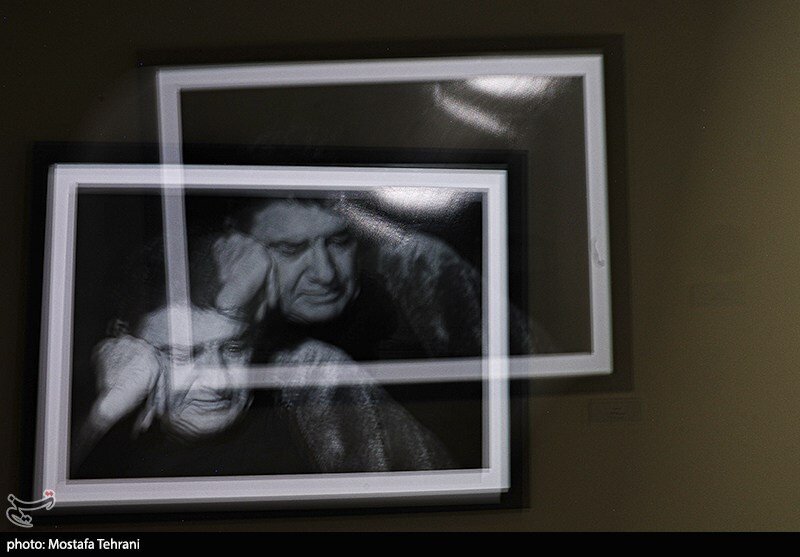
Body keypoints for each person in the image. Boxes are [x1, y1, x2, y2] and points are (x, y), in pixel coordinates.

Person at [74, 231, 454, 479]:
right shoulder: (73, 413)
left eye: (234, 348)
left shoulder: (310, 387)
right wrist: (103, 415)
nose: (219, 380)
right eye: (181, 354)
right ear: (124, 341)